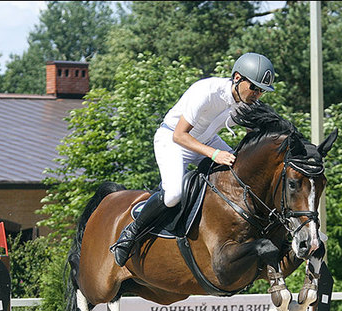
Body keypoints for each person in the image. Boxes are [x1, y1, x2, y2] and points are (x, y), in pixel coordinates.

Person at [111, 52, 276, 267]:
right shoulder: (206, 92)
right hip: (172, 140)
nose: (257, 94)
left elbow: (256, 133)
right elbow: (179, 135)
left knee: (240, 173)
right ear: (237, 78)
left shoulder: (247, 103)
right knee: (173, 195)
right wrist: (214, 154)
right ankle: (131, 232)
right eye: (254, 87)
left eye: (262, 91)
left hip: (206, 141)